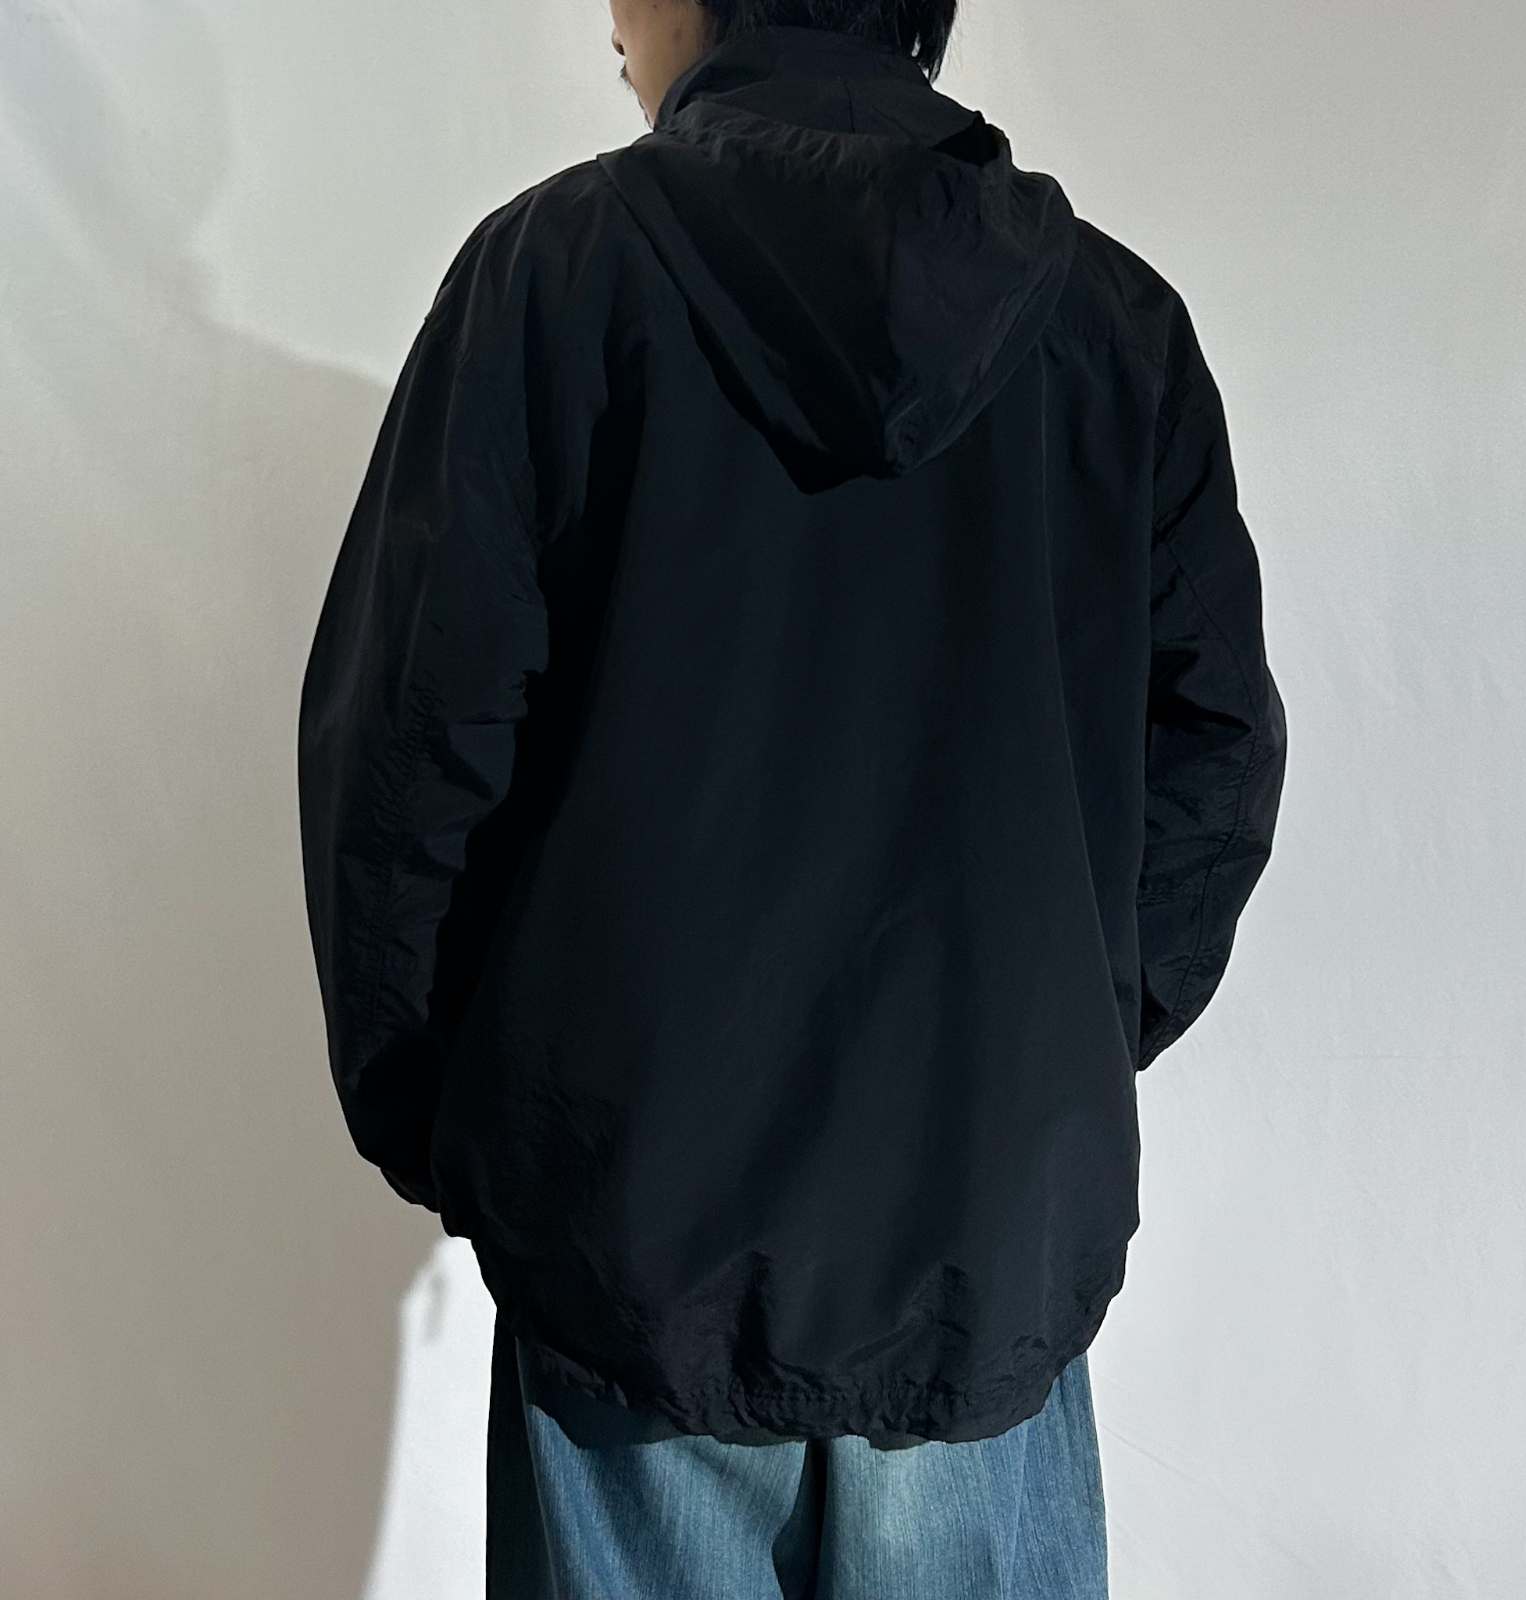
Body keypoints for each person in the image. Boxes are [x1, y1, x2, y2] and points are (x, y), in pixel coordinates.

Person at [295, 1, 1289, 1593]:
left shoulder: (550, 284)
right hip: (979, 1246)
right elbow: (1213, 761)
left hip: (632, 1244)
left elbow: (411, 769)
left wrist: (482, 1135)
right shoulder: (1113, 325)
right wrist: (1052, 1062)